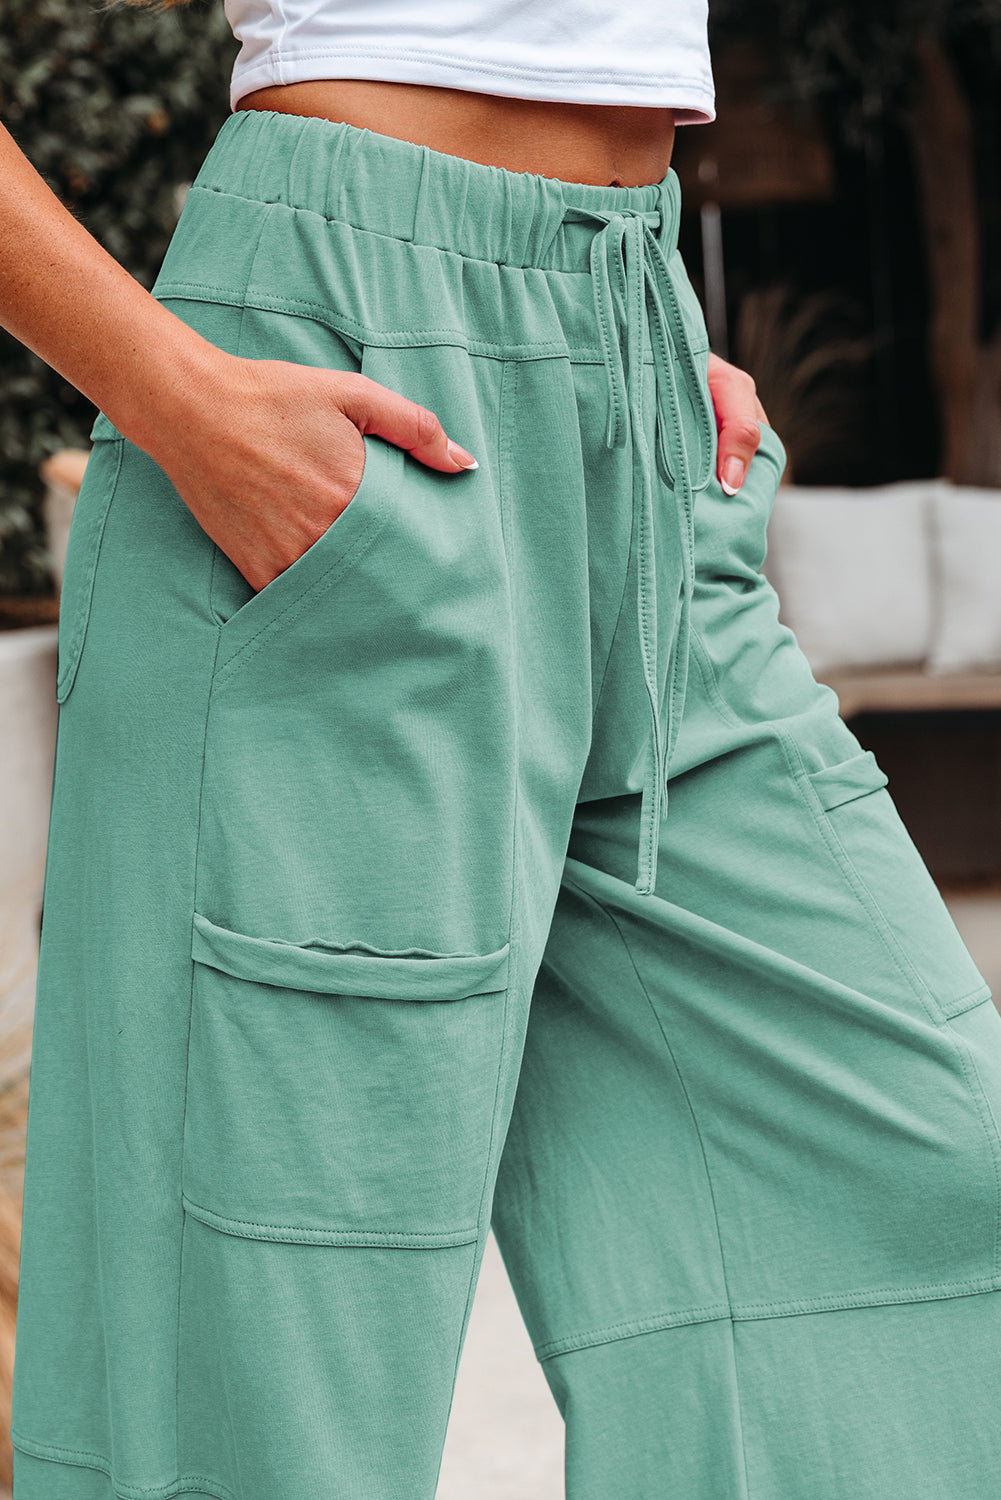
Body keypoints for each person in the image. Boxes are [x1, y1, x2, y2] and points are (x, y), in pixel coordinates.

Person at [5, 3, 1001, 1497]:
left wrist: (611, 338)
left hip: (636, 380)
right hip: (343, 379)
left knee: (914, 1179)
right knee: (270, 1381)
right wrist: (174, 393)